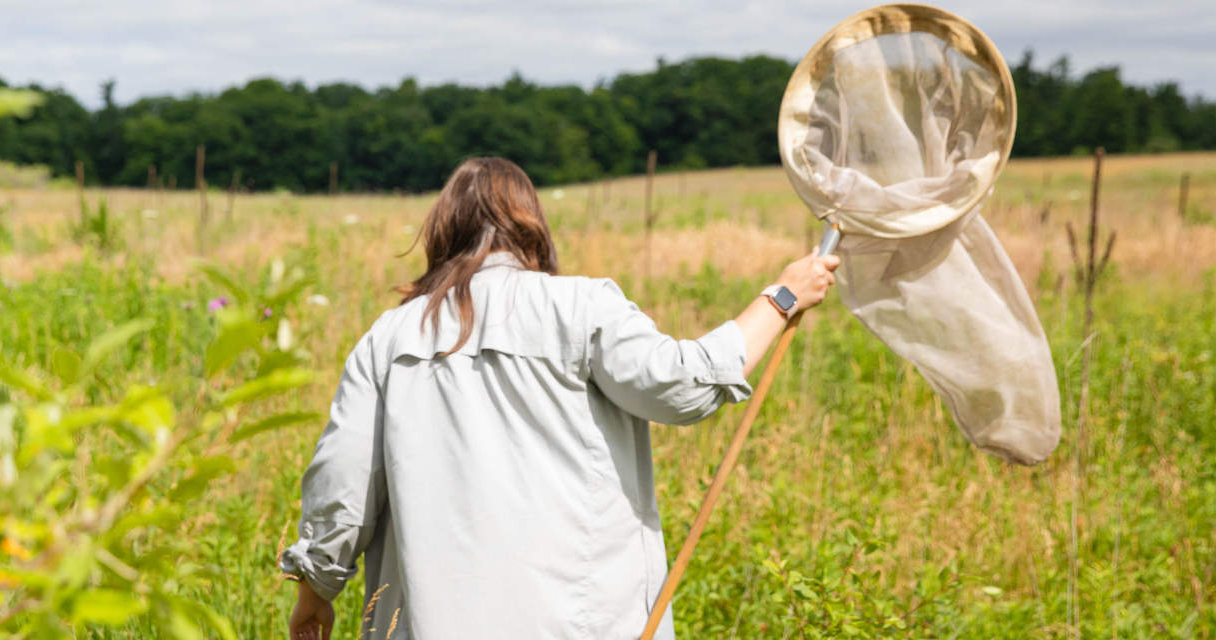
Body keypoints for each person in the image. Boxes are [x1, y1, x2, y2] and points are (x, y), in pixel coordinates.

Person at [280, 157, 839, 640]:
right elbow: (684, 385)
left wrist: (316, 590)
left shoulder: (388, 336)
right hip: (583, 623)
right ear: (532, 227)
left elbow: (341, 483)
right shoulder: (583, 306)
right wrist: (781, 298)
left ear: (442, 231)